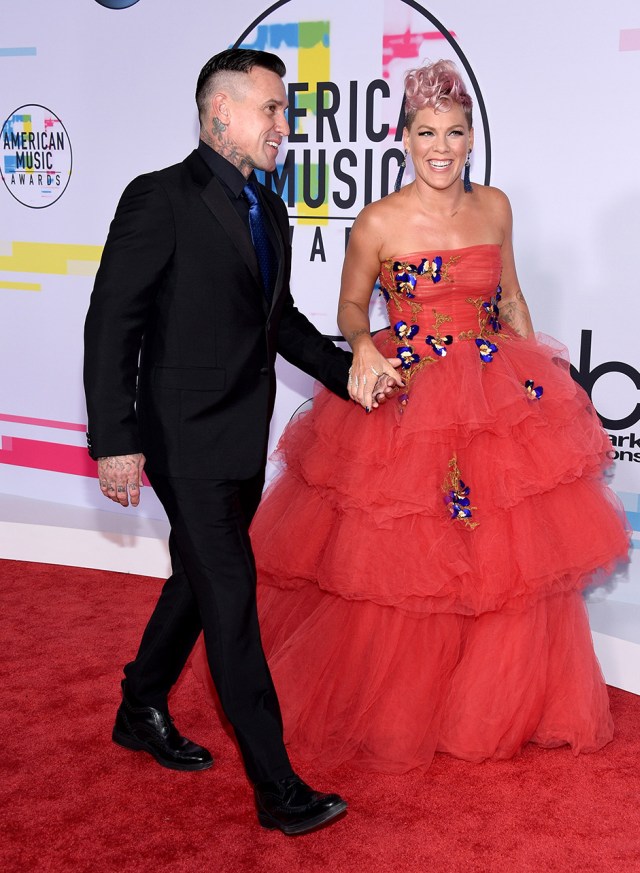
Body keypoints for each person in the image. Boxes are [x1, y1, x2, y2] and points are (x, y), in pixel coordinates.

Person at [245, 60, 630, 773]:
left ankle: (489, 699)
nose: (441, 146)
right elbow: (350, 306)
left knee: (499, 557)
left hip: (492, 383)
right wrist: (360, 346)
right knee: (408, 559)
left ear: (471, 138)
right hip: (410, 389)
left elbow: (510, 297)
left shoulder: (496, 209)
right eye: (427, 132)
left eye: (455, 131)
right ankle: (404, 700)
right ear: (404, 138)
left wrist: (538, 388)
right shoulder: (378, 221)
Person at [83, 48, 398, 834]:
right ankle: (278, 788)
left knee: (196, 577)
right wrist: (115, 440)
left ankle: (139, 702)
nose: (282, 127)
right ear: (220, 113)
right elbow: (111, 323)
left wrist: (351, 373)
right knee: (230, 599)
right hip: (181, 439)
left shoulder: (270, 206)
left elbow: (279, 320)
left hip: (240, 435)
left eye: (283, 113)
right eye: (272, 111)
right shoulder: (158, 198)